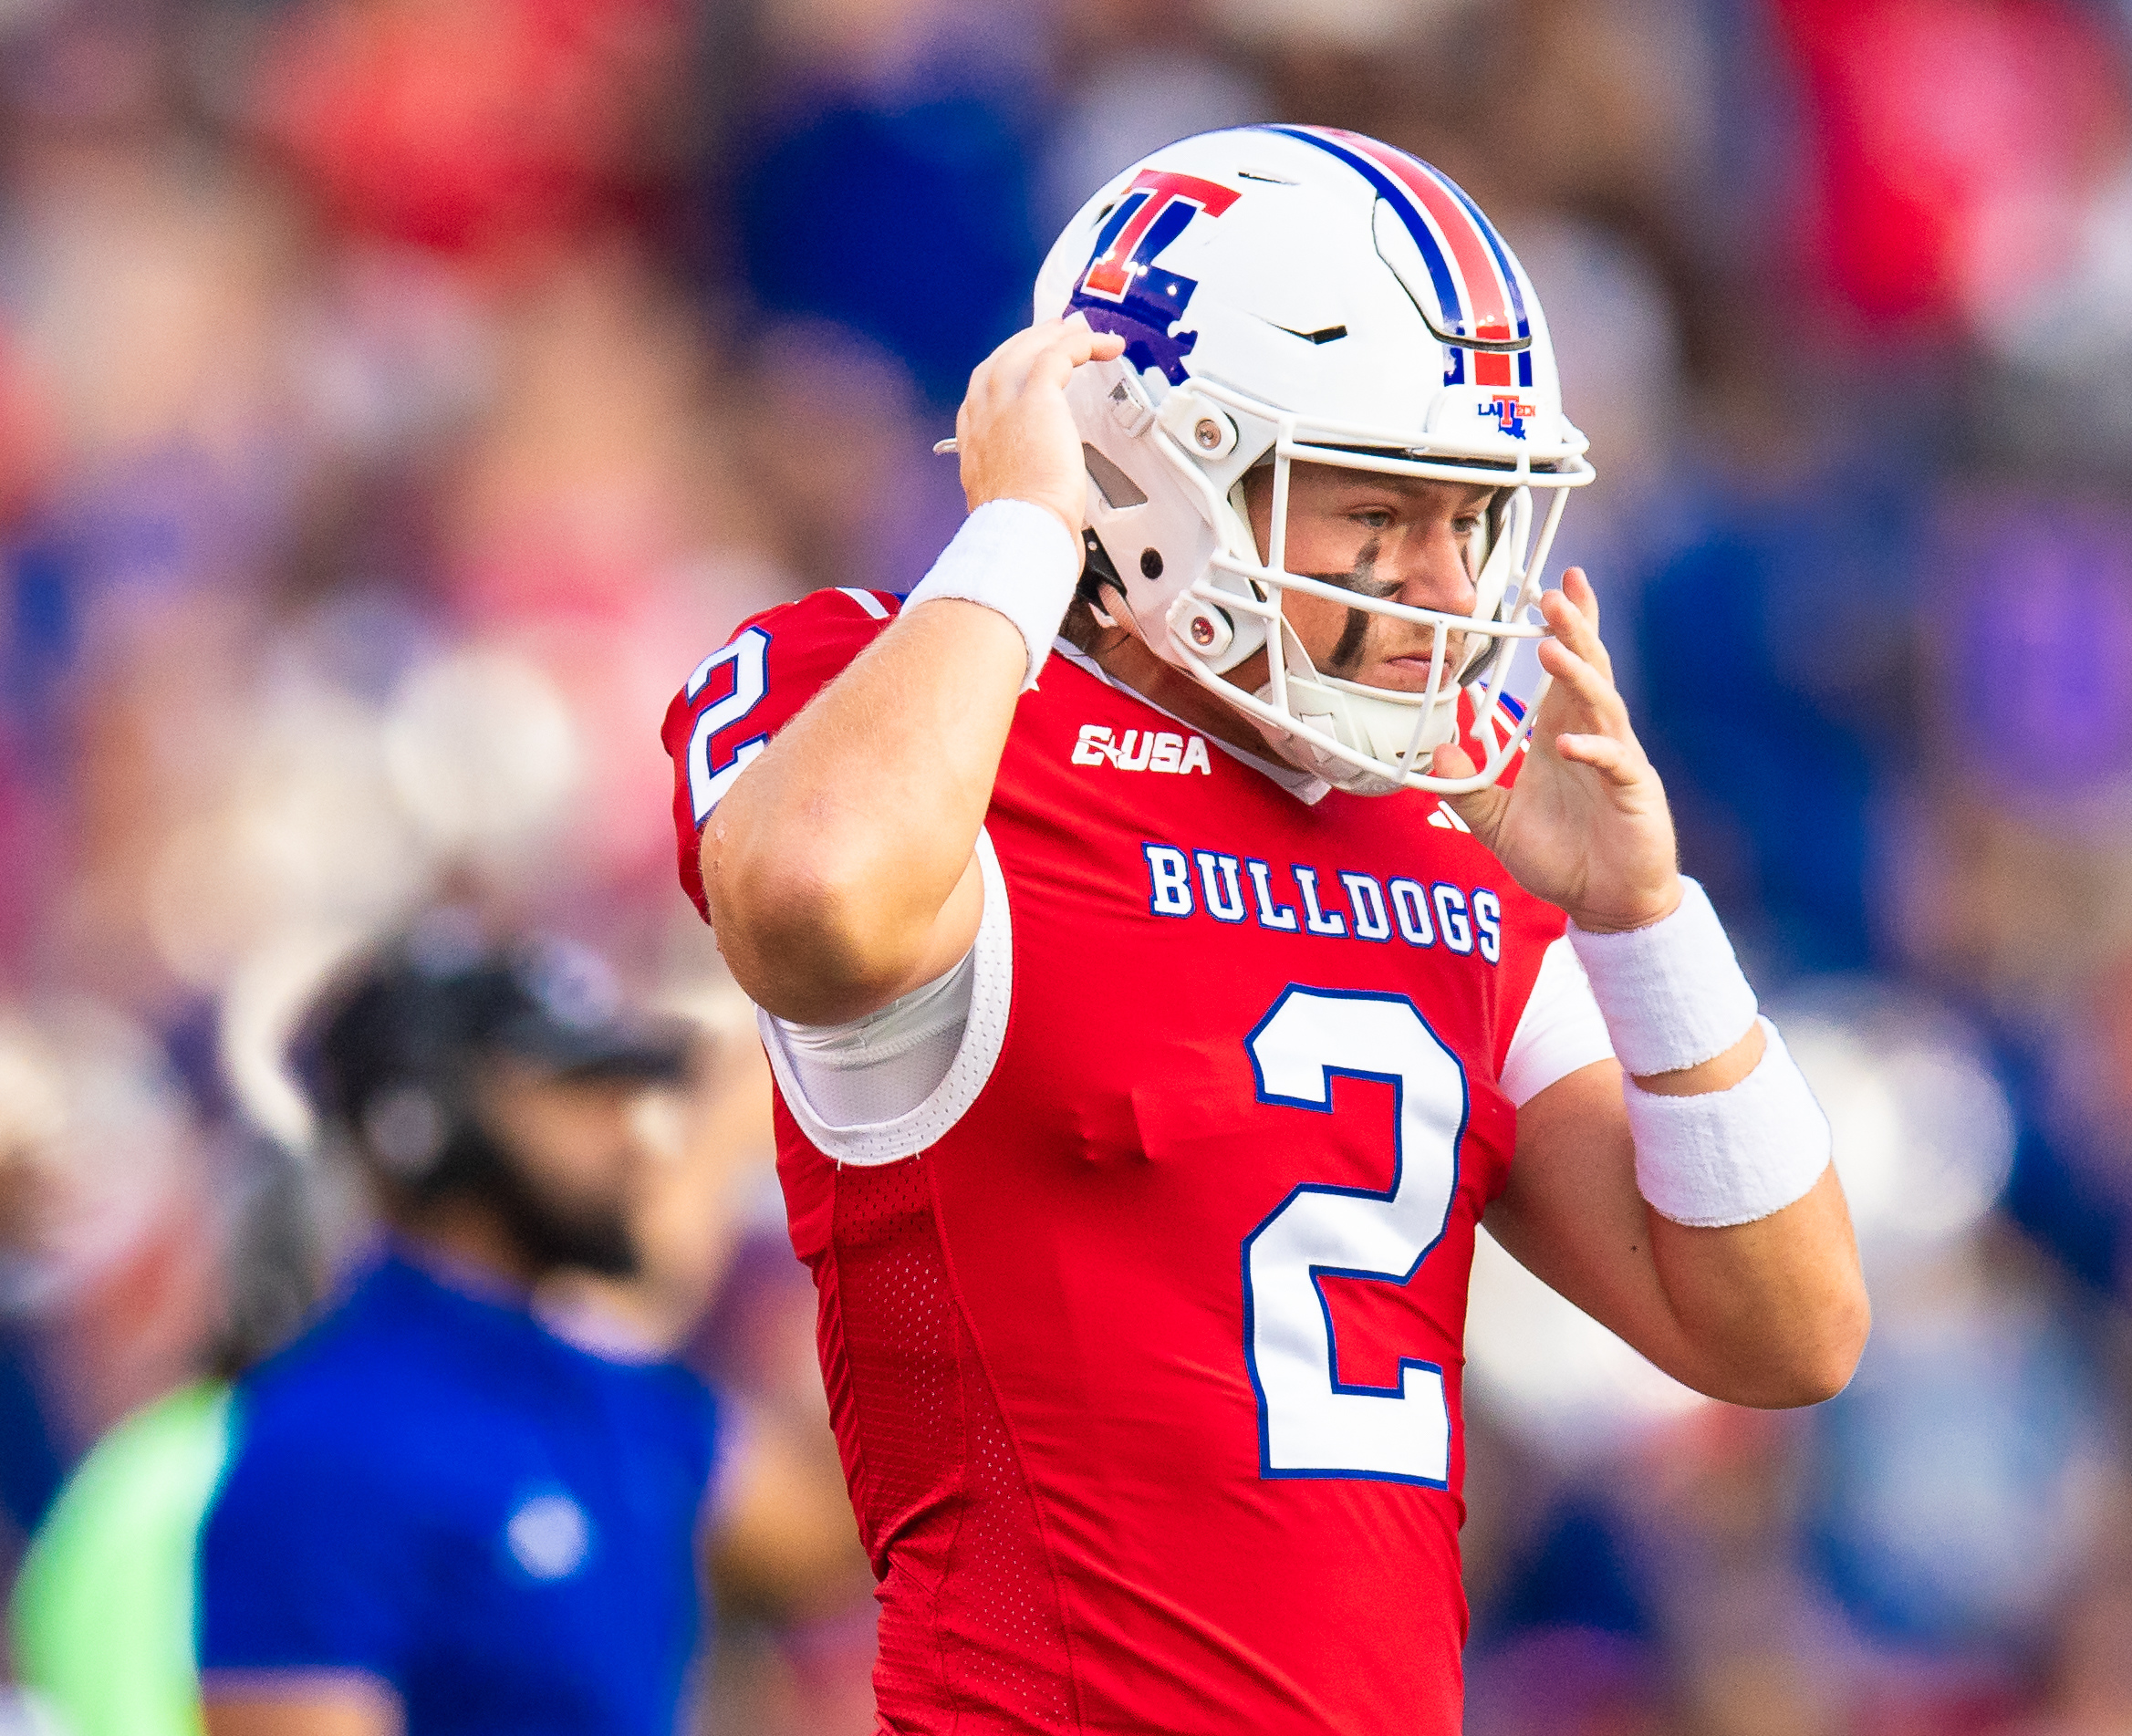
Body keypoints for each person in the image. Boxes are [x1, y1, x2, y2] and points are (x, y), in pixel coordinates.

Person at [666, 125, 1870, 1732]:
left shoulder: (1450, 826)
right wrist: (1024, 530)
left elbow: (1784, 1332)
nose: (1447, 584)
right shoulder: (895, 706)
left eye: (1472, 516)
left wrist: (1641, 921)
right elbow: (815, 906)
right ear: (1148, 471)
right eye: (1375, 510)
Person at [193, 922, 863, 1736]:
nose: (631, 1130)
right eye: (578, 1088)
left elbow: (842, 1535)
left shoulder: (600, 1388)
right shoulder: (328, 1440)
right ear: (427, 1120)